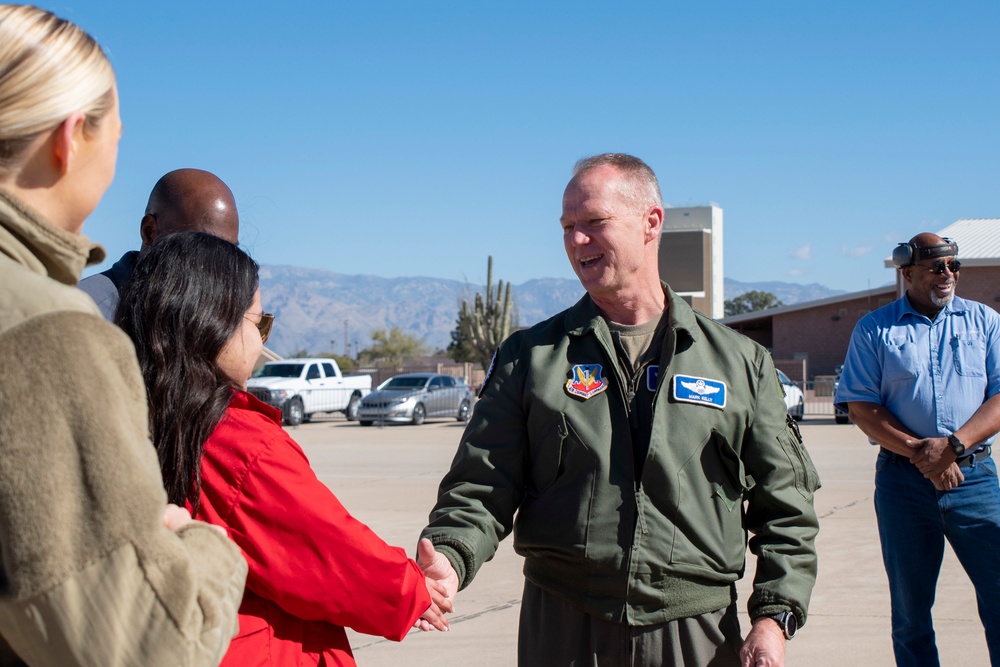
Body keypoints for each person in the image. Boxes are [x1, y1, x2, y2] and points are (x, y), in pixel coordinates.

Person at [417, 154, 820, 666]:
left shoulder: (741, 363)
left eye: (594, 223)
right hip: (563, 626)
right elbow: (482, 484)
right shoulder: (532, 358)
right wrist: (451, 556)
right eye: (567, 227)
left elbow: (785, 506)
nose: (576, 241)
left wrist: (774, 617)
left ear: (652, 222)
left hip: (694, 631)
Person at [0, 5, 246, 666]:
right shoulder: (52, 333)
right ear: (71, 136)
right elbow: (147, 644)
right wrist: (201, 543)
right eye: (117, 132)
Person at [116, 231, 452, 667]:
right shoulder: (237, 441)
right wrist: (411, 589)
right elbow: (325, 548)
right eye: (260, 324)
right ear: (212, 323)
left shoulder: (128, 414)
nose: (260, 344)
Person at [836, 233, 1000, 666]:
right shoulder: (874, 329)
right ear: (908, 273)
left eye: (954, 266)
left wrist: (954, 446)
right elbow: (862, 406)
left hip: (976, 481)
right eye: (936, 267)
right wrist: (921, 454)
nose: (948, 275)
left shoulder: (985, 321)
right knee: (911, 614)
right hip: (903, 484)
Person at [79, 167, 240, 320]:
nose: (218, 267)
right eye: (202, 249)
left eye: (229, 253)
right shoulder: (81, 315)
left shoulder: (212, 326)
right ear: (149, 232)